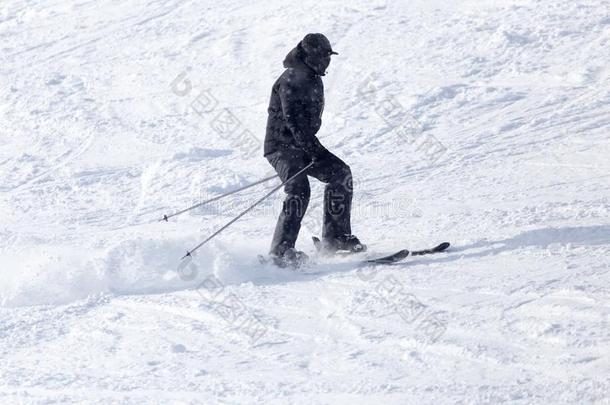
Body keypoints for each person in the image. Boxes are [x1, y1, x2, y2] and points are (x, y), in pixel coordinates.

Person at [264, 33, 365, 267]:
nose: (326, 62)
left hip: (302, 144)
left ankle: (336, 238)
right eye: (322, 57)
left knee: (341, 174)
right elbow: (294, 122)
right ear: (309, 56)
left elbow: (307, 125)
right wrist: (313, 150)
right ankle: (280, 252)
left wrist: (311, 148)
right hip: (280, 146)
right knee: (299, 189)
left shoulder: (312, 76)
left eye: (329, 57)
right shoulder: (290, 79)